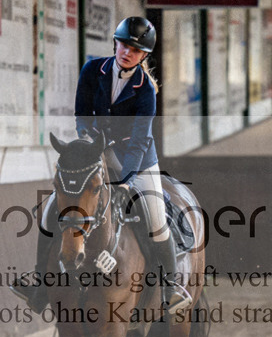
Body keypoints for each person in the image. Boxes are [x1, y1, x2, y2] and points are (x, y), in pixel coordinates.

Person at [11, 16, 192, 316]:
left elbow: (139, 139)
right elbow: (82, 114)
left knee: (156, 217)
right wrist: (90, 142)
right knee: (50, 209)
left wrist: (126, 181)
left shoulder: (145, 89)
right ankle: (40, 283)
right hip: (96, 149)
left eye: (135, 50)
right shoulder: (92, 70)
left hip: (138, 157)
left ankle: (169, 288)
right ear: (115, 43)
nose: (127, 52)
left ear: (144, 56)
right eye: (123, 45)